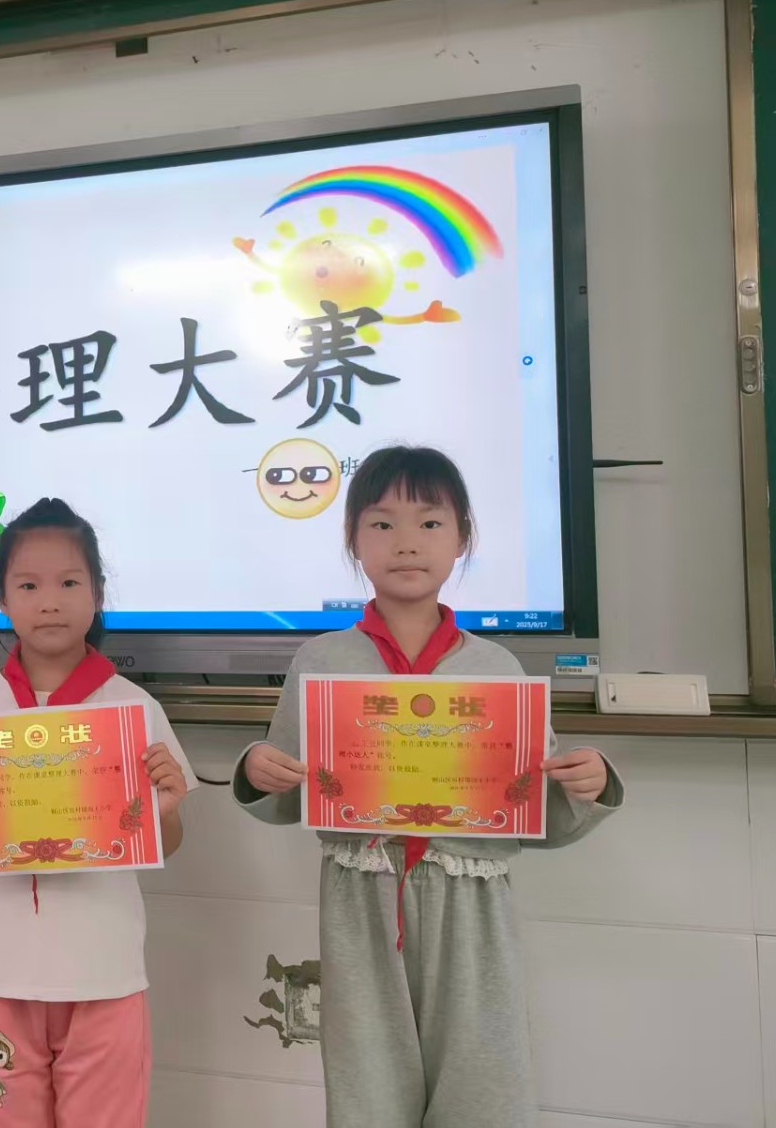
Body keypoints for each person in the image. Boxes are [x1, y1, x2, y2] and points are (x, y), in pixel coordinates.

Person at [234, 446, 623, 1128]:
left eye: (430, 522)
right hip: (361, 896)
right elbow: (290, 787)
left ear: (462, 537)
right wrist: (257, 769)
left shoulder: (497, 667)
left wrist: (588, 781)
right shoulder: (320, 659)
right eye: (382, 524)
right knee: (367, 1081)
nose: (406, 542)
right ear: (353, 538)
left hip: (470, 898)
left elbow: (540, 813)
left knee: (482, 1078)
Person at [0, 498, 194, 1128]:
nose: (50, 601)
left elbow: (166, 840)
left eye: (69, 583)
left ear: (98, 594)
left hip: (104, 973)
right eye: (28, 586)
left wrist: (166, 810)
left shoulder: (133, 709)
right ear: (3, 600)